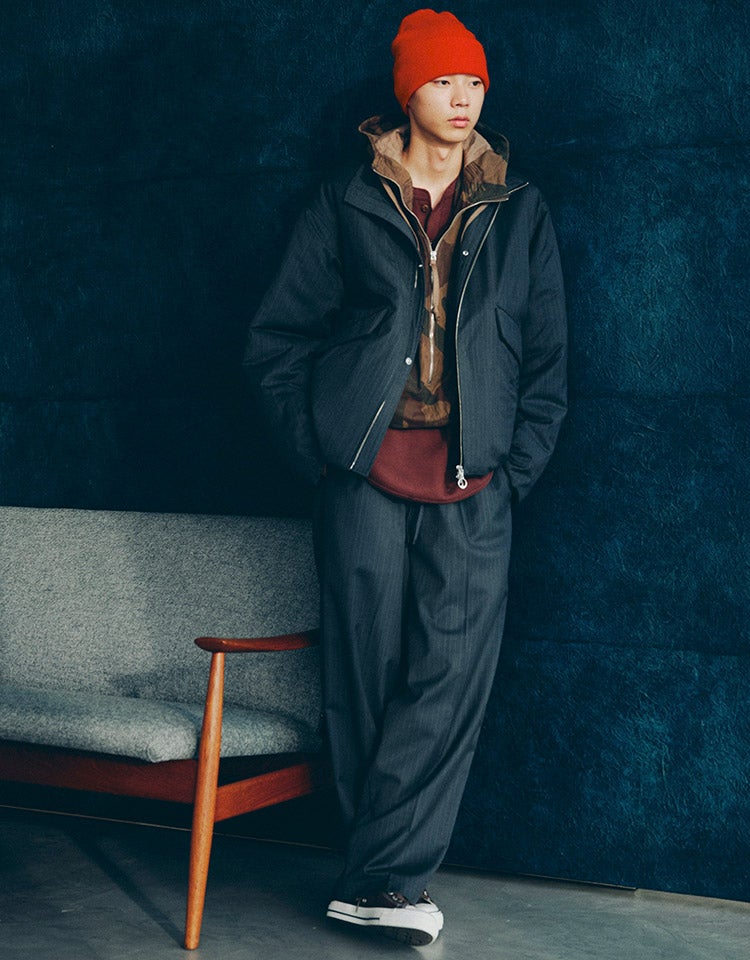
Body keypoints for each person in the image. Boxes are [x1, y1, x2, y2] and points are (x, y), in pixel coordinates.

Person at [243, 8, 567, 946]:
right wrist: (321, 453)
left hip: (475, 482)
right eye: (442, 81)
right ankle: (379, 881)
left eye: (474, 83)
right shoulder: (345, 201)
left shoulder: (518, 206)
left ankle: (381, 881)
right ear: (406, 93)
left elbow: (546, 359)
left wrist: (513, 468)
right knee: (363, 676)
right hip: (363, 474)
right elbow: (276, 340)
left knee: (448, 682)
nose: (463, 99)